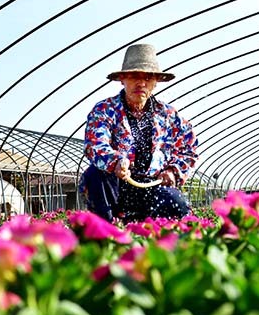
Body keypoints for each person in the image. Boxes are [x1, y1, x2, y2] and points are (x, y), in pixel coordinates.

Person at [80, 43, 198, 222]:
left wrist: (173, 171)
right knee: (94, 176)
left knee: (177, 204)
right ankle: (107, 236)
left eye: (148, 78)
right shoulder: (104, 110)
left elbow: (188, 148)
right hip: (117, 185)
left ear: (156, 82)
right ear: (122, 79)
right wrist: (116, 162)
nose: (141, 83)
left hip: (153, 186)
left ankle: (169, 243)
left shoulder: (168, 115)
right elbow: (95, 144)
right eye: (134, 76)